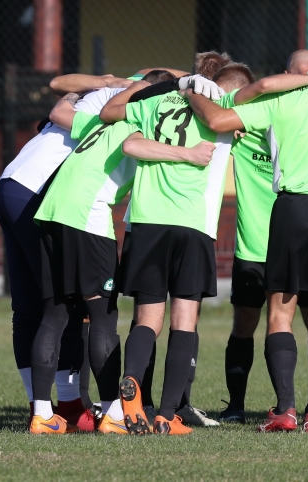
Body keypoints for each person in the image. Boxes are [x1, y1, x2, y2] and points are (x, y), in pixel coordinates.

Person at [187, 50, 308, 433]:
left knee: (278, 317)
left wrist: (188, 87)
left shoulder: (271, 103)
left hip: (286, 223)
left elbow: (221, 113)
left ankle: (287, 408)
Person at [26, 77, 215, 435]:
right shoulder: (135, 124)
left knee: (54, 314)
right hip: (87, 216)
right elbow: (134, 145)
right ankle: (114, 413)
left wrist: (75, 93)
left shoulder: (100, 122)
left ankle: (41, 414)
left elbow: (61, 111)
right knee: (103, 316)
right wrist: (190, 152)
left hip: (49, 212)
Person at [97, 63, 254, 436]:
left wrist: (173, 82)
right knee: (184, 320)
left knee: (146, 318)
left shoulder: (160, 100)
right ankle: (169, 414)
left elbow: (110, 112)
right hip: (193, 224)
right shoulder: (226, 114)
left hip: (146, 221)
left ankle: (131, 388)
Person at [0, 73, 134, 432]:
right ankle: (69, 405)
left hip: (11, 183)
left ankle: (40, 407)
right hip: (42, 192)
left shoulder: (102, 90)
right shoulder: (133, 105)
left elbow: (59, 88)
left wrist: (91, 85)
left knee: (29, 306)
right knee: (64, 302)